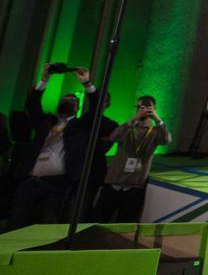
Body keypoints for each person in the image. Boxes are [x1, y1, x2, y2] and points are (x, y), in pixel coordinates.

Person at [7, 65, 107, 230]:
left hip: (58, 184)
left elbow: (97, 109)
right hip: (30, 180)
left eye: (74, 101)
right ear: (59, 103)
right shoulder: (46, 121)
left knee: (48, 225)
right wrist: (45, 79)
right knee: (16, 222)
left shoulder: (79, 126)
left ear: (78, 108)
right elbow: (32, 105)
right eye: (66, 100)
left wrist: (87, 83)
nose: (69, 102)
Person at [92, 95, 171, 223]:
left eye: (147, 107)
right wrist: (133, 119)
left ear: (154, 109)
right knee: (97, 221)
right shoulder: (128, 128)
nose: (143, 110)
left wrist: (157, 119)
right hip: (114, 183)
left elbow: (166, 140)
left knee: (124, 226)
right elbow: (114, 137)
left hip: (134, 186)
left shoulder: (155, 131)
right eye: (140, 107)